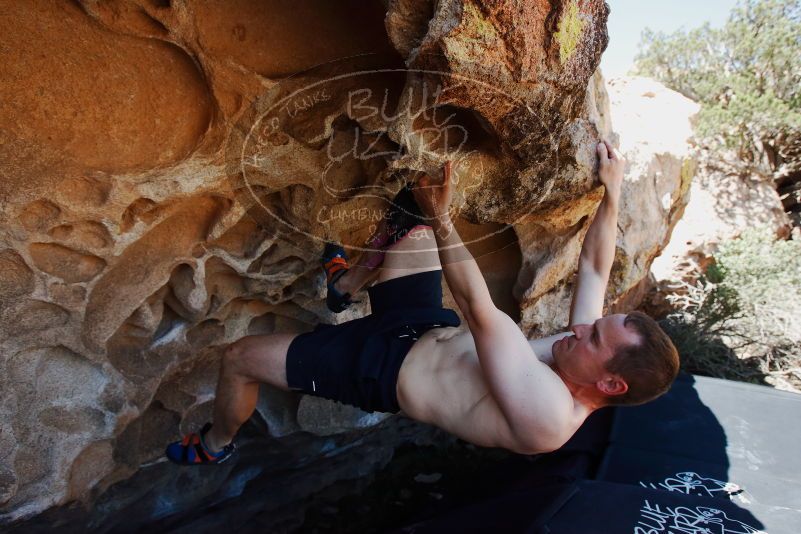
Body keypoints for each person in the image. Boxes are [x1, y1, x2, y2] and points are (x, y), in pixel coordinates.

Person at [165, 141, 680, 464]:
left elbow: (480, 310)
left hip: (378, 368)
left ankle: (215, 444)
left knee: (239, 359)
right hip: (422, 325)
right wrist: (611, 195)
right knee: (407, 213)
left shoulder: (548, 416)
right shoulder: (584, 355)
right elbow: (594, 269)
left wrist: (445, 219)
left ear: (610, 383)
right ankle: (344, 289)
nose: (581, 328)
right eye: (593, 325)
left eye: (593, 336)